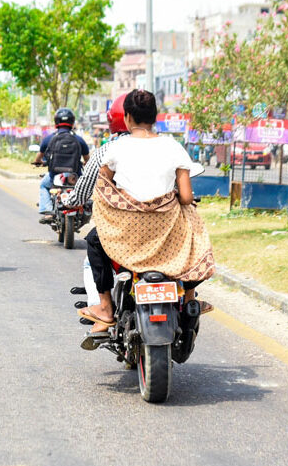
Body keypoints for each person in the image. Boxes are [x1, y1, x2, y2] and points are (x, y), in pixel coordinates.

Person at [79, 89, 216, 334]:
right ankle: (190, 297)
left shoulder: (116, 148)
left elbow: (103, 185)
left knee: (93, 240)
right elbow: (186, 197)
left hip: (125, 234)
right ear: (155, 117)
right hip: (166, 232)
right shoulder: (173, 147)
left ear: (128, 117)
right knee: (196, 239)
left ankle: (106, 307)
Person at [33, 107, 90, 224]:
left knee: (44, 185)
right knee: (84, 189)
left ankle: (47, 211)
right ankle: (82, 209)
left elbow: (38, 158)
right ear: (72, 123)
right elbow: (87, 160)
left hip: (55, 177)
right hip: (75, 177)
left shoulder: (48, 139)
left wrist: (39, 162)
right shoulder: (79, 140)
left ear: (56, 122)